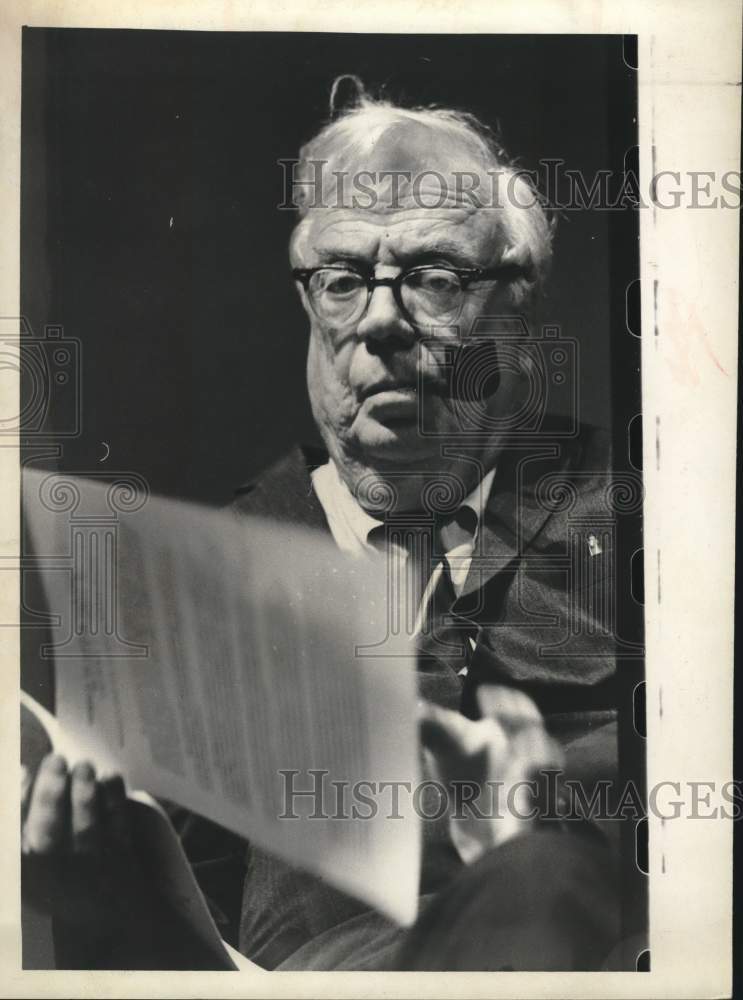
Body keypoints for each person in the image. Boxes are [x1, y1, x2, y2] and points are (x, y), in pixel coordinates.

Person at [21, 78, 628, 970]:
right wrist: (100, 902)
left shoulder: (639, 510)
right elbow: (169, 957)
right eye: (341, 280)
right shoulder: (195, 584)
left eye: (432, 278)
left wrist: (555, 804)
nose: (378, 320)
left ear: (518, 311)